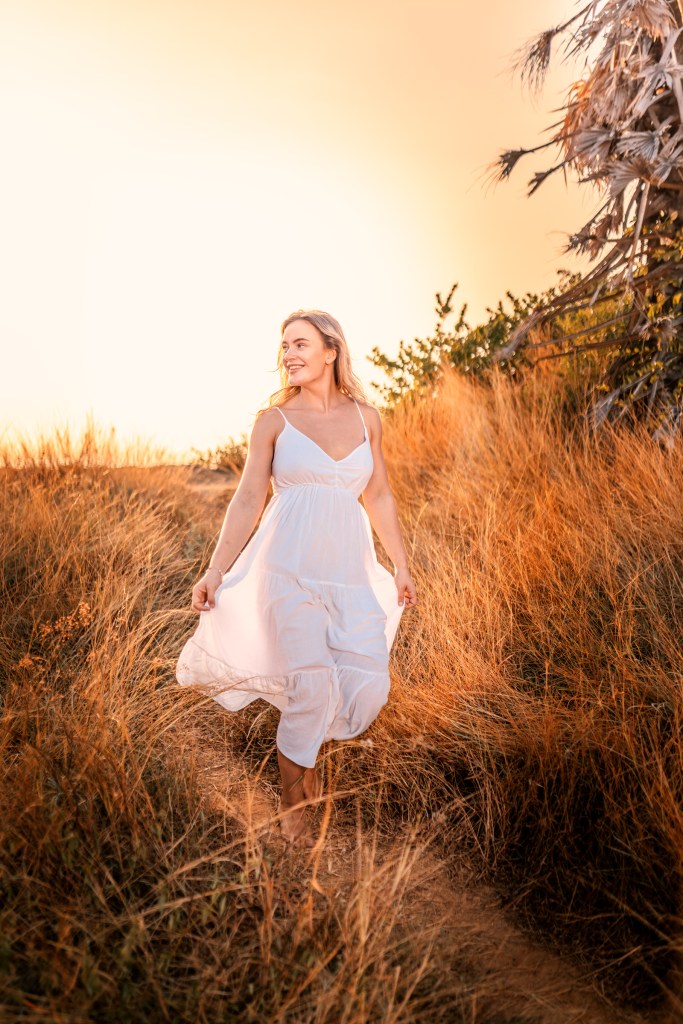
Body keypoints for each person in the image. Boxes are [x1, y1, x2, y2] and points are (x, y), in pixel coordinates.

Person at [175, 309, 417, 846]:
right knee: (310, 687)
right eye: (284, 345)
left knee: (365, 687)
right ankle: (296, 818)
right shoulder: (273, 422)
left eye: (301, 344)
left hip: (349, 578)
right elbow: (247, 499)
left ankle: (306, 776)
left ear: (331, 351)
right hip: (285, 573)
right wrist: (215, 570)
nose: (289, 354)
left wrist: (400, 564)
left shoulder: (366, 418)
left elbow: (377, 494)